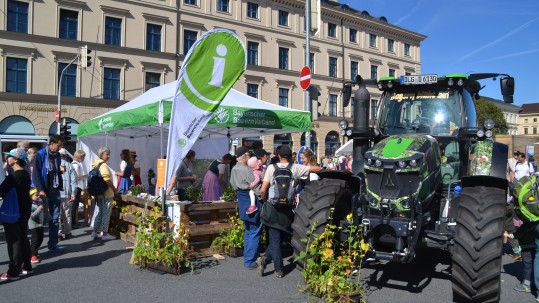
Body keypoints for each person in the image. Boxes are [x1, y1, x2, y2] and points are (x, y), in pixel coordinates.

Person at [258, 146, 321, 278]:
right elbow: (318, 169)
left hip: (273, 207)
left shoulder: (271, 167)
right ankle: (265, 260)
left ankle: (278, 269)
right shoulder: (296, 167)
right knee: (280, 238)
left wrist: (265, 201)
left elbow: (263, 190)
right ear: (291, 156)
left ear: (278, 155)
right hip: (287, 208)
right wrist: (309, 164)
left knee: (274, 240)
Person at [0, 148, 33, 281]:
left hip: (13, 211)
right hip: (24, 209)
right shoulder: (25, 174)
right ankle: (27, 266)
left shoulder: (13, 176)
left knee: (14, 241)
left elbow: (1, 191)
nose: (7, 158)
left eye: (9, 157)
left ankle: (14, 271)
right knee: (23, 237)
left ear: (15, 159)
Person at [229, 146, 262, 270]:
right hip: (250, 199)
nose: (250, 157)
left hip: (242, 199)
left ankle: (249, 257)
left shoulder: (234, 168)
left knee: (249, 230)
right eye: (248, 155)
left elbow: (232, 184)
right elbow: (255, 187)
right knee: (254, 229)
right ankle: (250, 260)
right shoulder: (246, 169)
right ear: (245, 156)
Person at [32, 134, 65, 253]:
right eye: (59, 146)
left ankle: (52, 244)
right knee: (39, 221)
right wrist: (40, 189)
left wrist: (60, 171)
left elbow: (55, 172)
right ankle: (34, 250)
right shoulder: (40, 155)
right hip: (43, 192)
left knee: (55, 220)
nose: (60, 148)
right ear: (51, 144)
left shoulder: (58, 155)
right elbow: (35, 175)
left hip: (55, 191)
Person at [89, 147, 117, 241]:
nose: (108, 156)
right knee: (106, 213)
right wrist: (113, 188)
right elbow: (106, 179)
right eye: (106, 154)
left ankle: (94, 231)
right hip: (106, 193)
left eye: (109, 154)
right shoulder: (103, 165)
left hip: (98, 193)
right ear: (101, 154)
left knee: (100, 212)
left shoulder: (96, 163)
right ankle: (104, 233)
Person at [505, 221, 536, 293]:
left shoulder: (525, 226)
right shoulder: (536, 225)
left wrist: (507, 235)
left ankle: (526, 285)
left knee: (527, 266)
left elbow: (516, 235)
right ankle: (535, 283)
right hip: (536, 248)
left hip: (526, 249)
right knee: (535, 265)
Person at [28, 187, 51, 264]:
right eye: (36, 195)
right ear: (31, 196)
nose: (38, 197)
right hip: (33, 225)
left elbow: (46, 206)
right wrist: (39, 209)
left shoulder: (39, 202)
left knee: (40, 239)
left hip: (40, 224)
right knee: (35, 240)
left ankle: (35, 252)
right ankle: (32, 255)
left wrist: (44, 198)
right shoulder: (30, 205)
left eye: (38, 195)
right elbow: (32, 216)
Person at [58, 148, 77, 240]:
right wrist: (73, 193)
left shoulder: (53, 165)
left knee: (57, 214)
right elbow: (74, 182)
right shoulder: (70, 165)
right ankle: (68, 233)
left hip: (56, 193)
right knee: (67, 214)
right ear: (65, 156)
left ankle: (58, 233)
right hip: (67, 193)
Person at [71, 150, 88, 228]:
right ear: (79, 157)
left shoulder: (76, 164)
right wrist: (84, 177)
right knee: (74, 205)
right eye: (83, 157)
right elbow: (75, 178)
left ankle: (73, 222)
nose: (84, 158)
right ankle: (73, 222)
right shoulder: (76, 165)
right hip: (76, 187)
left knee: (75, 205)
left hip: (77, 186)